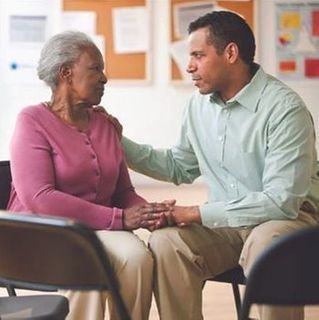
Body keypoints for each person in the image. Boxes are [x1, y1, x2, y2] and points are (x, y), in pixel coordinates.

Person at [120, 11, 319, 320]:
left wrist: (193, 212)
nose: (189, 66)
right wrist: (117, 142)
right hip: (229, 224)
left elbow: (282, 202)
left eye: (198, 55)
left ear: (230, 53)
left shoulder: (285, 110)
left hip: (290, 222)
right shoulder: (198, 106)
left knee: (267, 242)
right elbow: (179, 166)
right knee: (167, 242)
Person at [7, 31, 169, 320]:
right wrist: (118, 219)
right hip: (40, 234)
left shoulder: (105, 124)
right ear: (66, 73)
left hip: (95, 232)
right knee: (87, 267)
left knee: (138, 259)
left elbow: (123, 192)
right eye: (96, 68)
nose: (104, 78)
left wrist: (149, 212)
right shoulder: (31, 121)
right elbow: (39, 198)